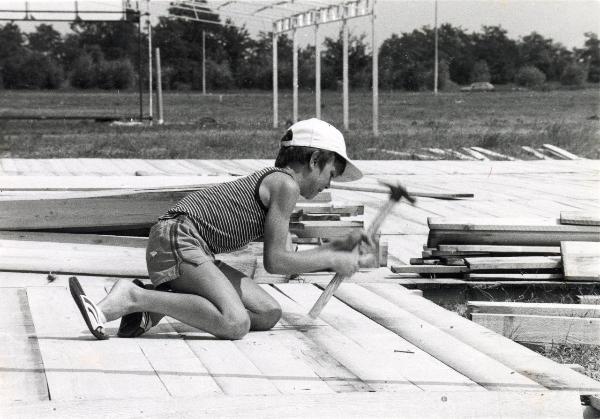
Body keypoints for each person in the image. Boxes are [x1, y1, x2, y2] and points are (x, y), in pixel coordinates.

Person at [69, 118, 368, 341]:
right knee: (235, 323)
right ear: (315, 160)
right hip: (177, 238)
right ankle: (133, 297)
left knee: (267, 313)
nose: (329, 184)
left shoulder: (278, 183)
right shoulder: (286, 185)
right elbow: (275, 262)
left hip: (190, 245)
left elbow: (278, 249)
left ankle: (153, 308)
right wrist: (332, 256)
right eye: (331, 174)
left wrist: (320, 251)